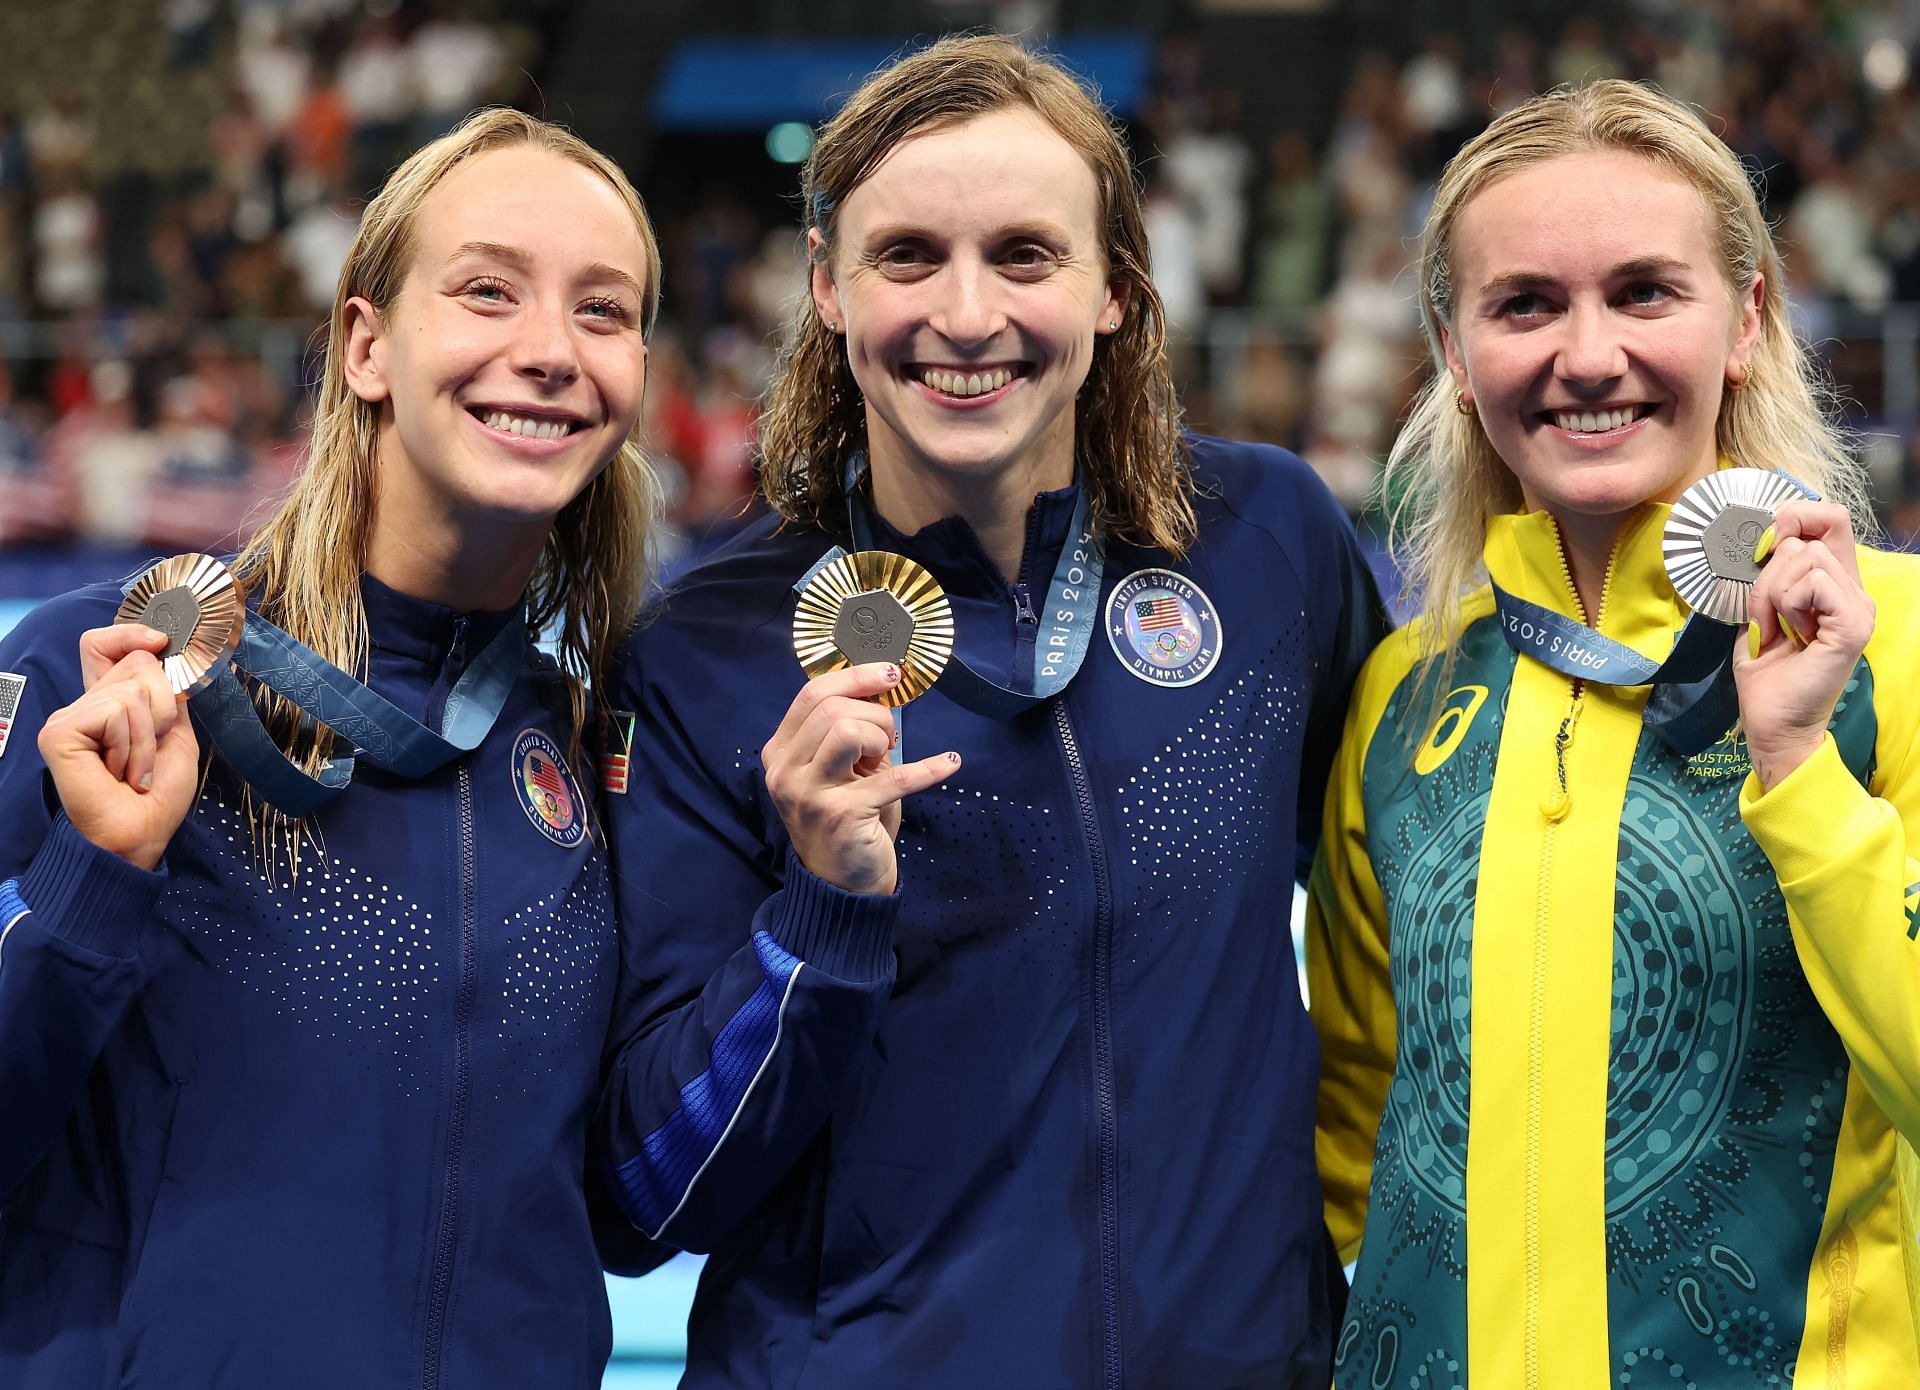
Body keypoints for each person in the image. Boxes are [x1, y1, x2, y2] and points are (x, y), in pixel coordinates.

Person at [593, 33, 1381, 1388]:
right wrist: (818, 920)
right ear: (829, 286)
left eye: (1025, 255)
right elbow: (649, 1193)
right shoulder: (707, 650)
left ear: (1117, 290)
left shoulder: (1268, 544)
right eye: (909, 257)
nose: (967, 315)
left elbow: (1404, 881)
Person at [0, 110, 663, 1387]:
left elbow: (624, 1208)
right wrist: (90, 879)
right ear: (365, 344)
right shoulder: (108, 671)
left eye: (602, 311)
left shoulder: (584, 745)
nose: (547, 351)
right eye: (486, 291)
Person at [1308, 79, 1920, 1388]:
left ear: (1747, 318)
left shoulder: (1896, 644)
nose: (1587, 354)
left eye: (1645, 291)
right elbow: (1363, 1117)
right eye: (1525, 303)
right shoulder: (1405, 694)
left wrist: (1804, 770)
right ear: (1455, 349)